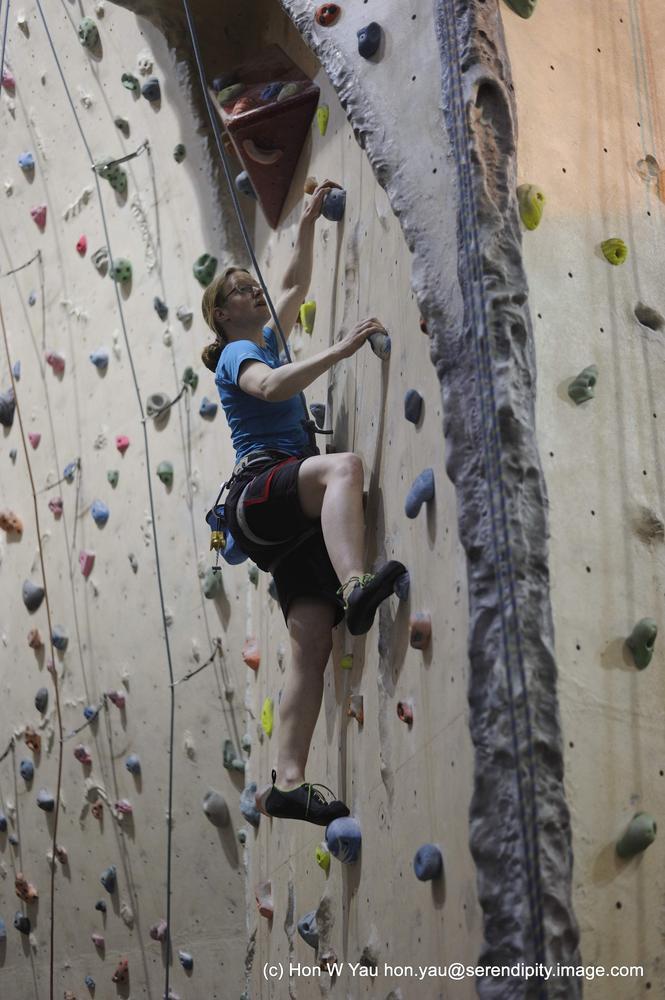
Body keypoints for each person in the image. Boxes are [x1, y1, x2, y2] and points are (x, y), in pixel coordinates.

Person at [201, 180, 406, 826]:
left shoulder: (263, 335)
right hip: (260, 490)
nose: (254, 291)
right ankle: (355, 583)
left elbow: (291, 282)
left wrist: (309, 220)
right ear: (222, 314)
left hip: (281, 527)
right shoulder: (239, 353)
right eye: (241, 289)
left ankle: (286, 782)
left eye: (250, 285)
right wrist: (340, 350)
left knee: (311, 643)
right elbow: (268, 387)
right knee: (343, 468)